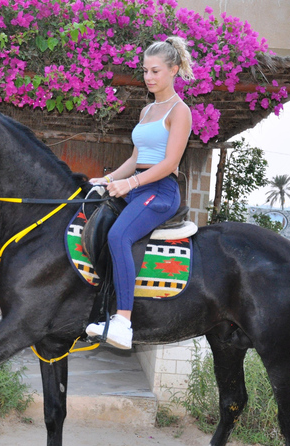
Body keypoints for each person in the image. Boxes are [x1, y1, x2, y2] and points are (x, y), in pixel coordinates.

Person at [85, 36, 194, 349]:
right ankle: (99, 308)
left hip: (159, 190)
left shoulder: (179, 110)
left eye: (155, 71)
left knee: (119, 236)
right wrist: (105, 180)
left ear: (174, 70)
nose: (148, 77)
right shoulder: (147, 111)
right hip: (138, 184)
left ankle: (123, 322)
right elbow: (134, 159)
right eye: (145, 71)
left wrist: (131, 183)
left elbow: (170, 162)